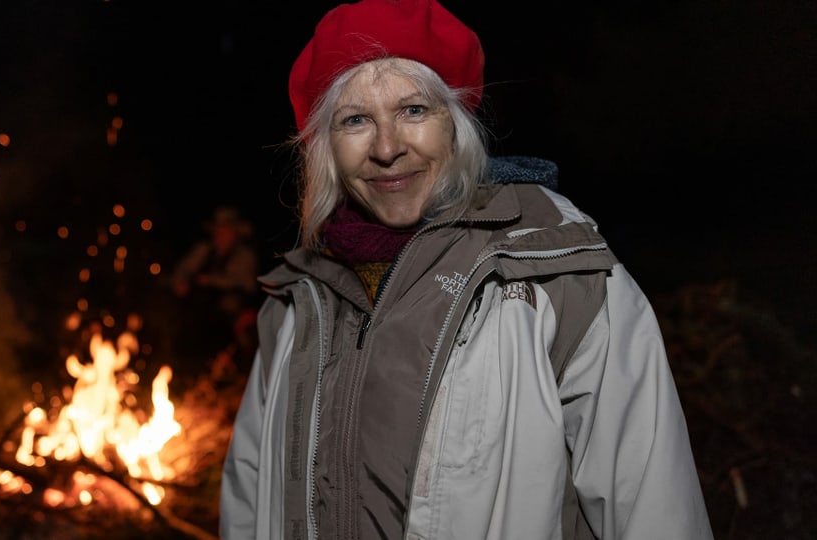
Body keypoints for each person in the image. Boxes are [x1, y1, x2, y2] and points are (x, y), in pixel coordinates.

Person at [219, 0, 714, 538]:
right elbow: (249, 500)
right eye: (356, 120)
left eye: (413, 110)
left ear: (455, 126)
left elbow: (652, 503)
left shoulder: (556, 275)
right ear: (325, 149)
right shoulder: (295, 303)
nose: (387, 148)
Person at [170, 205, 260, 374]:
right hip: (199, 315)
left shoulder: (244, 256)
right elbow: (183, 270)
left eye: (225, 229)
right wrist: (181, 282)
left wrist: (211, 281)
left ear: (235, 232)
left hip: (230, 316)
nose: (220, 234)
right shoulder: (204, 251)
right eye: (218, 229)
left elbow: (245, 284)